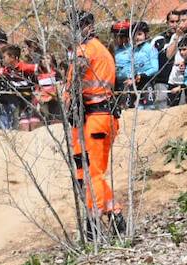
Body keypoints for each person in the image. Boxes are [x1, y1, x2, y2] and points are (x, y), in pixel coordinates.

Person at [66, 11, 125, 239]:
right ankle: (113, 211)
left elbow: (78, 79)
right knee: (85, 173)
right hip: (93, 118)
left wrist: (70, 99)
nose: (74, 30)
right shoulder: (99, 49)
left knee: (93, 173)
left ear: (88, 26)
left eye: (78, 25)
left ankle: (94, 220)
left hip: (96, 116)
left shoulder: (87, 50)